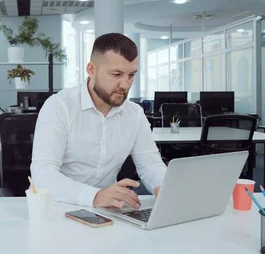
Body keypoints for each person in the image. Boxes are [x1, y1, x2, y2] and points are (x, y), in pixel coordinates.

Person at [30, 33, 167, 209]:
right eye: (116, 74)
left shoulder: (135, 114)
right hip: (57, 207)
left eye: (131, 75)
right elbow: (43, 176)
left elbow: (151, 165)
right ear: (91, 70)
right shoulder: (59, 107)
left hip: (107, 210)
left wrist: (164, 187)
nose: (125, 85)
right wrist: (94, 196)